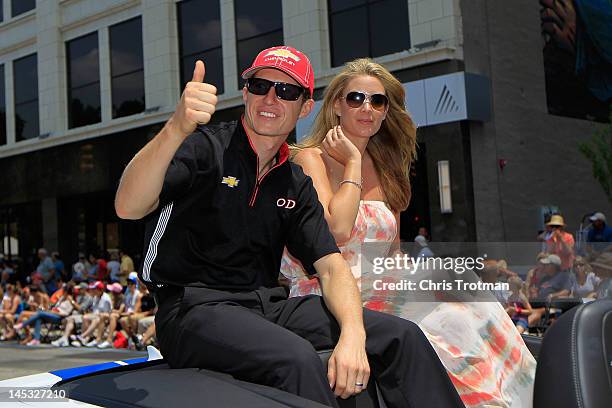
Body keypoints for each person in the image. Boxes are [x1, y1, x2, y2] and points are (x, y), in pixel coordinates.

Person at [114, 45, 464, 407]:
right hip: (193, 308)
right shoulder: (206, 148)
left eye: (287, 91)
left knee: (401, 335)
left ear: (305, 107)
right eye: (262, 86)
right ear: (246, 92)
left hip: (265, 305)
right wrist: (176, 127)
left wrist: (354, 334)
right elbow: (128, 206)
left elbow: (331, 267)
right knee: (296, 359)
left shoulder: (294, 181)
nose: (271, 98)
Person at [279, 58, 535, 407]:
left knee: (469, 295)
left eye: (377, 101)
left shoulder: (386, 167)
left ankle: (523, 397)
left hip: (380, 283)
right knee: (448, 321)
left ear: (386, 112)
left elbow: (390, 254)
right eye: (355, 98)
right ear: (337, 105)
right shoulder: (310, 159)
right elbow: (335, 231)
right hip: (327, 288)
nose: (366, 108)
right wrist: (352, 162)